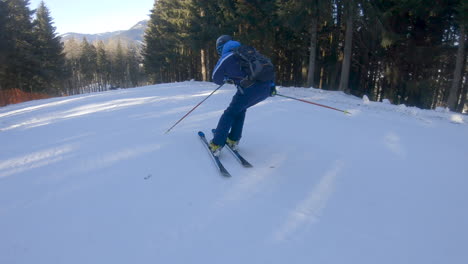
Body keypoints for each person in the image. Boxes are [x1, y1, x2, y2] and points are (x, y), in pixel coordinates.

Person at [209, 35, 276, 156]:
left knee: (229, 113)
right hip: (266, 88)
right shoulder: (250, 52)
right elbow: (266, 66)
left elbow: (215, 78)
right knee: (239, 110)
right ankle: (233, 139)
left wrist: (226, 78)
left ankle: (216, 144)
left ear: (221, 47)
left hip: (249, 89)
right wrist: (271, 86)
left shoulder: (227, 56)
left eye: (219, 50)